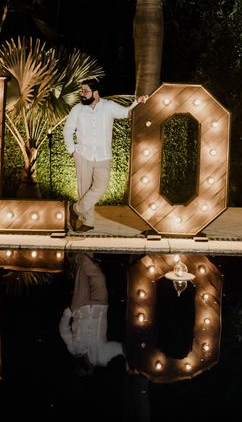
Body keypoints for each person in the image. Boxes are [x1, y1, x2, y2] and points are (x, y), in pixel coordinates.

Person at [63, 79, 148, 231]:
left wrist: (137, 102)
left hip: (103, 156)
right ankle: (88, 222)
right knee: (84, 190)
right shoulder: (77, 109)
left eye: (86, 91)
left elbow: (127, 113)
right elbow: (68, 130)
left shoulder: (108, 106)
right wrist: (72, 151)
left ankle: (75, 209)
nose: (83, 94)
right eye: (82, 91)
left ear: (96, 92)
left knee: (101, 187)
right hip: (83, 155)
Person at [59, 253, 123, 375]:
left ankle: (80, 254)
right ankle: (86, 253)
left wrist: (69, 312)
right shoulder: (102, 358)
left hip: (80, 307)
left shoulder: (74, 349)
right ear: (90, 372)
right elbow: (121, 349)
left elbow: (63, 330)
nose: (80, 372)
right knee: (99, 278)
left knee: (81, 274)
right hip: (100, 307)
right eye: (83, 374)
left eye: (77, 373)